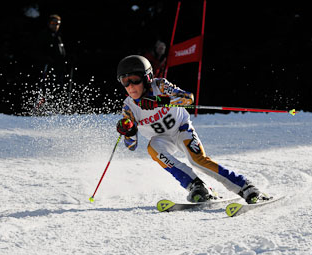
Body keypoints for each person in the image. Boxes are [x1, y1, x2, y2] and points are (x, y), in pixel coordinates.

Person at [115, 55, 269, 204]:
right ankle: (196, 186)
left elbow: (188, 98)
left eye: (134, 80)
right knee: (153, 149)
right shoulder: (129, 107)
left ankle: (245, 186)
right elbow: (131, 146)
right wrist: (128, 131)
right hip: (162, 139)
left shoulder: (160, 86)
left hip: (181, 129)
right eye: (125, 82)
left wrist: (159, 101)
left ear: (147, 78)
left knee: (197, 161)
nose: (130, 87)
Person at [37, 14, 67, 85]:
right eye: (53, 23)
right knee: (46, 85)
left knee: (58, 86)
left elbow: (61, 51)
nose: (56, 26)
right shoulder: (44, 35)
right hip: (46, 66)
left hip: (58, 67)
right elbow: (38, 50)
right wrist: (45, 58)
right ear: (49, 23)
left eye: (58, 24)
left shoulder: (58, 36)